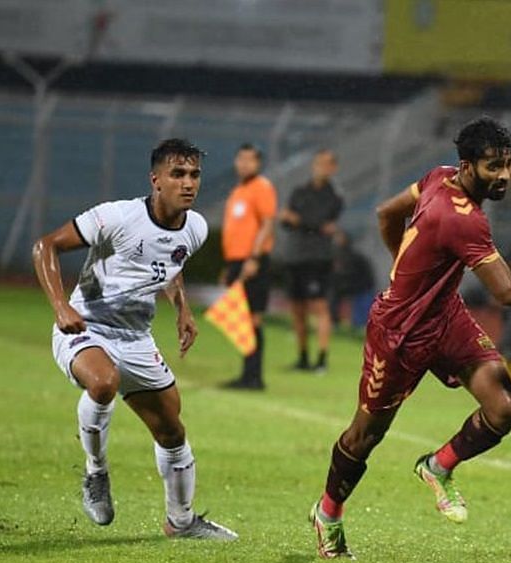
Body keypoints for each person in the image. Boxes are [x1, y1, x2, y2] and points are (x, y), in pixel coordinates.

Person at [307, 116, 511, 558]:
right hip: (399, 333)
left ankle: (438, 467)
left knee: (504, 407)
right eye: (494, 166)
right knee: (365, 436)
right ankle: (328, 513)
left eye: (509, 163)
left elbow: (386, 213)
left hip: (445, 315)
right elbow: (505, 291)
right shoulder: (464, 221)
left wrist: (407, 266)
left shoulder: (438, 176)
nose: (505, 175)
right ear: (468, 166)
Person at [33, 138, 237, 540]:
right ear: (156, 180)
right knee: (103, 382)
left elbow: (170, 264)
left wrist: (182, 308)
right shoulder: (118, 217)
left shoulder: (194, 228)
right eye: (178, 174)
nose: (188, 183)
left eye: (194, 174)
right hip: (85, 327)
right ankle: (96, 473)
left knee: (173, 430)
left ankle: (181, 522)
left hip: (136, 339)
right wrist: (61, 307)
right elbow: (47, 246)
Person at [279, 149, 344, 373]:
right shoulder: (299, 191)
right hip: (296, 256)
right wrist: (309, 223)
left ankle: (322, 359)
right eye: (319, 163)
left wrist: (300, 219)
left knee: (319, 306)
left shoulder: (334, 197)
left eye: (327, 164)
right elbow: (286, 220)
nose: (321, 168)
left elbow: (323, 223)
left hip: (318, 258)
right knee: (297, 308)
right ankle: (303, 357)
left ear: (333, 168)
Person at [220, 143, 278, 390]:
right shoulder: (238, 191)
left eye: (249, 160)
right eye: (240, 159)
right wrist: (229, 265)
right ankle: (247, 374)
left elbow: (267, 223)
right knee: (241, 318)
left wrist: (254, 258)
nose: (244, 164)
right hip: (237, 260)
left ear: (258, 163)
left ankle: (254, 377)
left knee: (253, 318)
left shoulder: (261, 187)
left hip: (252, 261)